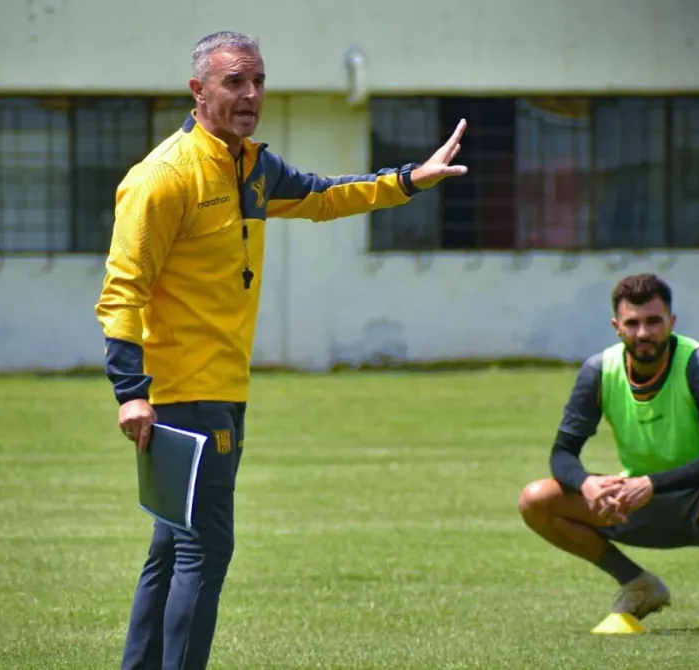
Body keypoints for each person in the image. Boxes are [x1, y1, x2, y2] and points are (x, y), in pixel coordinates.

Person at [94, 30, 469, 670]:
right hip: (184, 396)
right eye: (234, 81)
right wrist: (131, 393)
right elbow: (122, 291)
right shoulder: (162, 178)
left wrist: (409, 180)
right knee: (204, 551)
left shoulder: (254, 167)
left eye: (258, 81)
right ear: (198, 90)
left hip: (223, 392)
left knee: (174, 548)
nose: (250, 94)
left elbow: (324, 195)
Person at [517, 273, 699, 635]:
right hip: (634, 503)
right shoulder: (598, 370)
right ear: (617, 327)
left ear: (671, 322)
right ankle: (637, 584)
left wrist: (652, 483)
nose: (643, 333)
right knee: (536, 499)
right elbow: (562, 454)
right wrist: (586, 484)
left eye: (653, 321)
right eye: (633, 323)